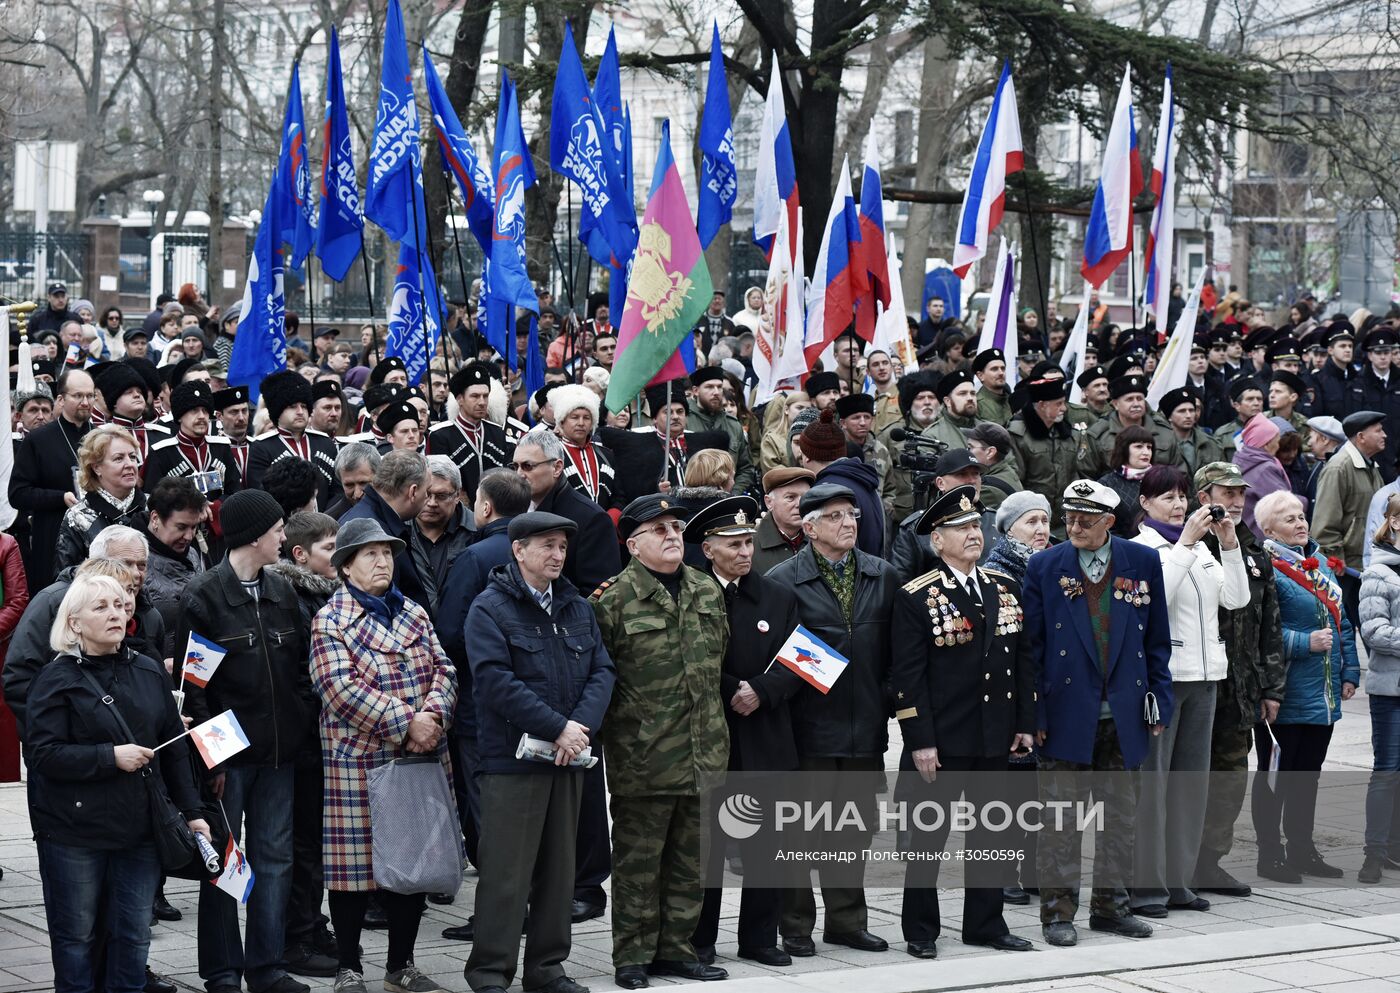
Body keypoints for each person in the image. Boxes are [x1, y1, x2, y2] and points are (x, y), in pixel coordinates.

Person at [27, 572, 210, 992]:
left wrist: (193, 812)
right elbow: (42, 755)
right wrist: (109, 757)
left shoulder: (147, 669)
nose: (116, 614)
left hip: (139, 829)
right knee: (76, 938)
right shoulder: (54, 679)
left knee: (133, 935)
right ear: (74, 622)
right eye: (101, 607)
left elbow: (173, 748)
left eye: (120, 605)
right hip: (74, 832)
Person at [463, 512, 615, 993]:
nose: (557, 554)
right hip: (513, 762)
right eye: (547, 545)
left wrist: (579, 729)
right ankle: (491, 972)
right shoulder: (490, 608)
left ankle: (547, 969)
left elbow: (602, 671)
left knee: (559, 872)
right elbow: (494, 681)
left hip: (569, 757)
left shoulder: (576, 607)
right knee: (506, 874)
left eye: (562, 546)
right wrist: (558, 727)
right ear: (518, 550)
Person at [1023, 479, 1173, 947]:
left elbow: (1157, 640)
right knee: (1060, 823)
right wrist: (1034, 715)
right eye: (1068, 518)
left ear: (1109, 521)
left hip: (1124, 714)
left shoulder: (1141, 561)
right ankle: (1057, 914)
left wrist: (1160, 700)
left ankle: (1112, 909)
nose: (1073, 527)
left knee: (1120, 821)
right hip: (1065, 713)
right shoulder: (1045, 565)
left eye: (1085, 521)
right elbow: (1031, 649)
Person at [310, 518, 457, 993]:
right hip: (359, 760)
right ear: (345, 566)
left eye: (387, 553)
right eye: (370, 554)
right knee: (353, 871)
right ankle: (348, 967)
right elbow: (339, 689)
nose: (382, 562)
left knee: (412, 864)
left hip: (418, 756)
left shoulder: (414, 612)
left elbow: (444, 669)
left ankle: (401, 965)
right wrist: (406, 722)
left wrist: (433, 717)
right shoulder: (330, 620)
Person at [890, 485, 1035, 957]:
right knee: (927, 840)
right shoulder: (918, 596)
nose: (973, 534)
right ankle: (921, 930)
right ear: (937, 540)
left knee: (992, 835)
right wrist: (920, 740)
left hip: (994, 733)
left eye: (976, 525)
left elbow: (1022, 662)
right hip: (943, 740)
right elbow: (907, 677)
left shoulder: (1004, 587)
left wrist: (1024, 722)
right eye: (960, 528)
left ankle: (985, 924)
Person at [591, 494, 730, 989]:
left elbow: (719, 661)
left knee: (692, 862)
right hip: (644, 757)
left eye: (676, 528)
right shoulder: (611, 601)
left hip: (704, 751)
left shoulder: (705, 589)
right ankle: (632, 955)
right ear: (633, 545)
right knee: (639, 864)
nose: (673, 536)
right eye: (659, 530)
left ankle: (676, 950)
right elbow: (601, 678)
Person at [176, 489, 312, 993]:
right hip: (230, 758)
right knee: (225, 863)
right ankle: (222, 971)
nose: (284, 536)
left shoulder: (283, 592)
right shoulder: (204, 597)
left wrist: (298, 725)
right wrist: (213, 762)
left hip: (280, 754)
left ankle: (266, 967)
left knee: (275, 861)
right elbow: (193, 690)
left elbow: (301, 670)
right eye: (277, 529)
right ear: (254, 536)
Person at [766, 483, 898, 958]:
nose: (848, 524)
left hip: (866, 727)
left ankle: (847, 922)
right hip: (809, 729)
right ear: (810, 527)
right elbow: (774, 655)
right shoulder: (783, 579)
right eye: (836, 516)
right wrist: (831, 659)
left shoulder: (882, 574)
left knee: (852, 832)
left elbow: (897, 651)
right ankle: (795, 925)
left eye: (853, 515)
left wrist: (884, 696)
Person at [687, 496, 803, 967]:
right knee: (706, 849)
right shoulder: (691, 594)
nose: (743, 552)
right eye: (732, 544)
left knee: (767, 845)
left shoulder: (777, 595)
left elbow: (805, 659)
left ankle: (759, 938)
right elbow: (685, 660)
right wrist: (733, 687)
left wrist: (762, 690)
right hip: (711, 738)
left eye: (748, 543)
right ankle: (699, 940)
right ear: (708, 549)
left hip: (766, 736)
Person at [1128, 466, 1249, 919]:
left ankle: (1179, 882)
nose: (1178, 505)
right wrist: (1184, 544)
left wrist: (1229, 544)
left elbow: (1236, 599)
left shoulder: (1201, 549)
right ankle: (1147, 887)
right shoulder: (1140, 548)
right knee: (1154, 787)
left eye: (1182, 496)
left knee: (1190, 786)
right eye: (1167, 497)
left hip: (1206, 677)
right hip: (1165, 680)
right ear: (1145, 503)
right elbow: (1154, 598)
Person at [436, 468, 532, 926]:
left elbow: (450, 632)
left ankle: (496, 915)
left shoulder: (474, 557)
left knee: (484, 809)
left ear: (485, 507)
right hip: (528, 701)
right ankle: (521, 904)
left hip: (479, 703)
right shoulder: (537, 551)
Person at [1253, 490, 1358, 882]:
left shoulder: (1320, 565)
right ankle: (1269, 855)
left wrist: (1350, 671)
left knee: (1307, 776)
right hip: (1282, 693)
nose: (1300, 523)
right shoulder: (1265, 568)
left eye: (1301, 515)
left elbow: (1341, 622)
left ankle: (1302, 849)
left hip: (1322, 693)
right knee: (1274, 778)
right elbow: (1258, 633)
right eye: (1289, 519)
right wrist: (1304, 642)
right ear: (1268, 530)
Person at [1192, 462, 1286, 899]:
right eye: (1225, 492)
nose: (1235, 501)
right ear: (1203, 497)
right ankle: (1175, 861)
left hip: (1241, 688)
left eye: (1240, 493)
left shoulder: (1254, 552)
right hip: (1196, 683)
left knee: (1229, 781)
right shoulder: (1189, 546)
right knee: (1187, 778)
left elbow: (1270, 624)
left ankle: (1208, 862)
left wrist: (1271, 688)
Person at [267, 512, 342, 977]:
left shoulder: (328, 594)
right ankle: (296, 936)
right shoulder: (292, 598)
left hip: (321, 739)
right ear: (300, 554)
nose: (338, 555)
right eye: (329, 548)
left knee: (315, 841)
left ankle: (312, 924)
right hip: (302, 739)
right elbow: (300, 671)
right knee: (301, 844)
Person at [10, 368, 95, 589]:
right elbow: (18, 494)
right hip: (53, 538)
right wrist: (60, 497)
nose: (85, 402)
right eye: (78, 395)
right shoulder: (38, 440)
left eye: (90, 395)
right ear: (61, 399)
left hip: (96, 538)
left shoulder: (103, 437)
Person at [512, 428, 621, 594]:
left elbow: (600, 595)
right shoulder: (515, 508)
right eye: (515, 466)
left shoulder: (593, 519)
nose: (519, 474)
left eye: (528, 466)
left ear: (557, 468)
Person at [1357, 493, 1400, 883]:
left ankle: (1394, 849)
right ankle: (1374, 853)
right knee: (1386, 770)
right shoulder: (1378, 573)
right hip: (1391, 690)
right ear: (1395, 522)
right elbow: (1374, 632)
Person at [1314, 410, 1388, 630]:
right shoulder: (1339, 467)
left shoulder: (1371, 466)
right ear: (1361, 437)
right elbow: (1324, 522)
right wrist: (1336, 558)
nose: (1384, 435)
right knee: (1337, 626)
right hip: (1345, 568)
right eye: (1378, 431)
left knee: (1370, 625)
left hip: (1366, 563)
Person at [339, 450, 435, 615]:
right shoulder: (369, 531)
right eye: (427, 491)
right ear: (413, 492)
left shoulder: (373, 520)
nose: (427, 498)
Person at [54, 424, 148, 573]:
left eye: (132, 457)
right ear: (96, 467)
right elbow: (65, 575)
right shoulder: (79, 516)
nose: (130, 464)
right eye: (119, 458)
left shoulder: (153, 507)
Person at [797, 409, 885, 557]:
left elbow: (838, 553)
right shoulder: (863, 479)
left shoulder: (825, 491)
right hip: (874, 568)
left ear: (807, 457)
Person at [248, 370, 342, 509]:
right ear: (277, 411)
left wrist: (326, 517)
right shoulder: (262, 447)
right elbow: (261, 496)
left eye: (304, 406)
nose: (300, 412)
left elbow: (337, 491)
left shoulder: (324, 443)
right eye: (292, 406)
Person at [144, 379, 242, 498]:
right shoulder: (161, 453)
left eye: (205, 411)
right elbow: (152, 499)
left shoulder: (221, 448)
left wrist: (215, 506)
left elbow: (235, 491)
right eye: (194, 410)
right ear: (179, 417)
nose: (201, 416)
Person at [142, 477, 210, 648]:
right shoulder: (132, 558)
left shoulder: (192, 554)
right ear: (155, 518)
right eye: (181, 527)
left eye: (194, 527)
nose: (189, 536)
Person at [1078, 374, 1182, 478]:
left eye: (1139, 399)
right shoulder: (1099, 435)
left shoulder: (1164, 432)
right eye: (1129, 399)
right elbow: (1086, 474)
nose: (1136, 404)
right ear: (1115, 404)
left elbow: (1180, 471)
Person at [413, 456, 474, 607]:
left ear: (457, 495)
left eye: (441, 496)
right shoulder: (396, 529)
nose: (432, 503)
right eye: (426, 494)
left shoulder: (476, 531)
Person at [689, 367, 758, 495]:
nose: (716, 392)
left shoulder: (733, 425)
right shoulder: (684, 421)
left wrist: (732, 494)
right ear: (696, 391)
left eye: (719, 387)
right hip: (691, 499)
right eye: (709, 387)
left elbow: (745, 468)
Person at [1234, 413, 1300, 540]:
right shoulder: (1265, 469)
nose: (1278, 446)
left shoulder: (1244, 460)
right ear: (1266, 444)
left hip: (1249, 534)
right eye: (1277, 441)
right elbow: (1284, 504)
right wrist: (1307, 502)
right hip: (1263, 537)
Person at [551, 383, 616, 508]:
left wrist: (610, 517)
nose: (581, 423)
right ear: (562, 422)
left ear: (592, 423)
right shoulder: (551, 455)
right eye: (574, 417)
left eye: (586, 418)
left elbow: (619, 497)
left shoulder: (606, 455)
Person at [1095, 425, 1155, 537]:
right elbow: (1104, 529)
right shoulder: (1106, 485)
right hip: (1125, 545)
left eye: (1149, 447)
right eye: (1139, 446)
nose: (1146, 452)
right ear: (1124, 449)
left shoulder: (1161, 478)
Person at [752, 467, 813, 575]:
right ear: (769, 502)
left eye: (805, 497)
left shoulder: (821, 538)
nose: (800, 504)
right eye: (790, 497)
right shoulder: (750, 545)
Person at [984, 491, 1051, 582]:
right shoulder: (994, 574)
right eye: (1032, 522)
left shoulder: (1059, 561)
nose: (1042, 530)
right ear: (1010, 530)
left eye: (1045, 521)